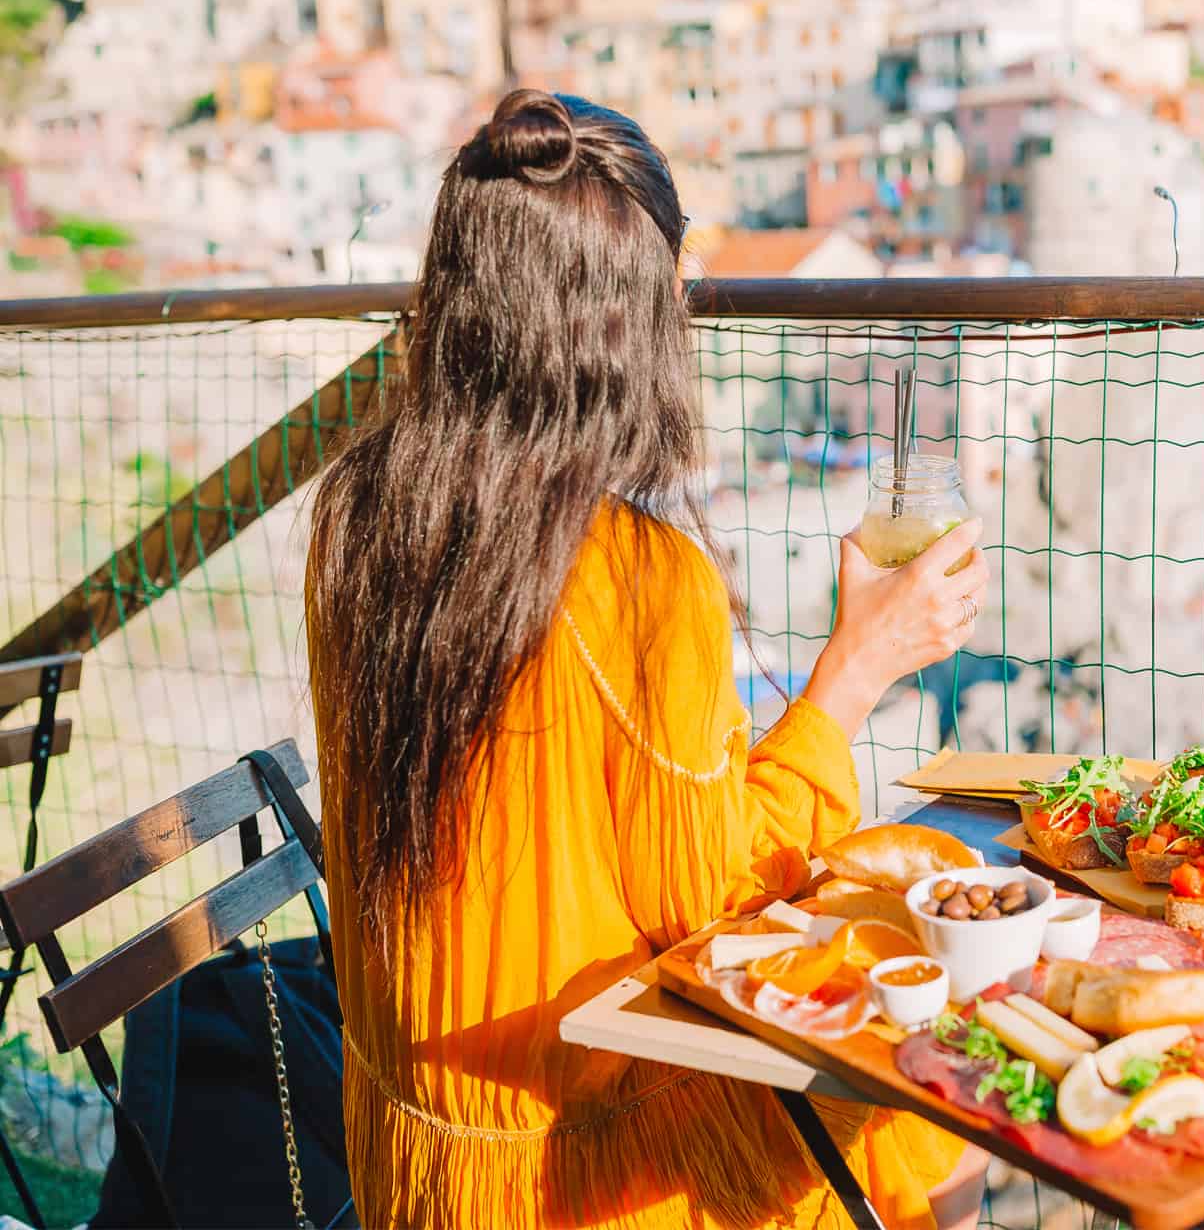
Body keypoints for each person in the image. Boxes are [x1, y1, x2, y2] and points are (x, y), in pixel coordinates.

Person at [305, 89, 992, 1230]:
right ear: (646, 311)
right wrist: (854, 671)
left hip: (415, 1158)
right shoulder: (641, 577)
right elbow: (707, 906)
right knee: (932, 1063)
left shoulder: (361, 518)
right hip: (588, 1166)